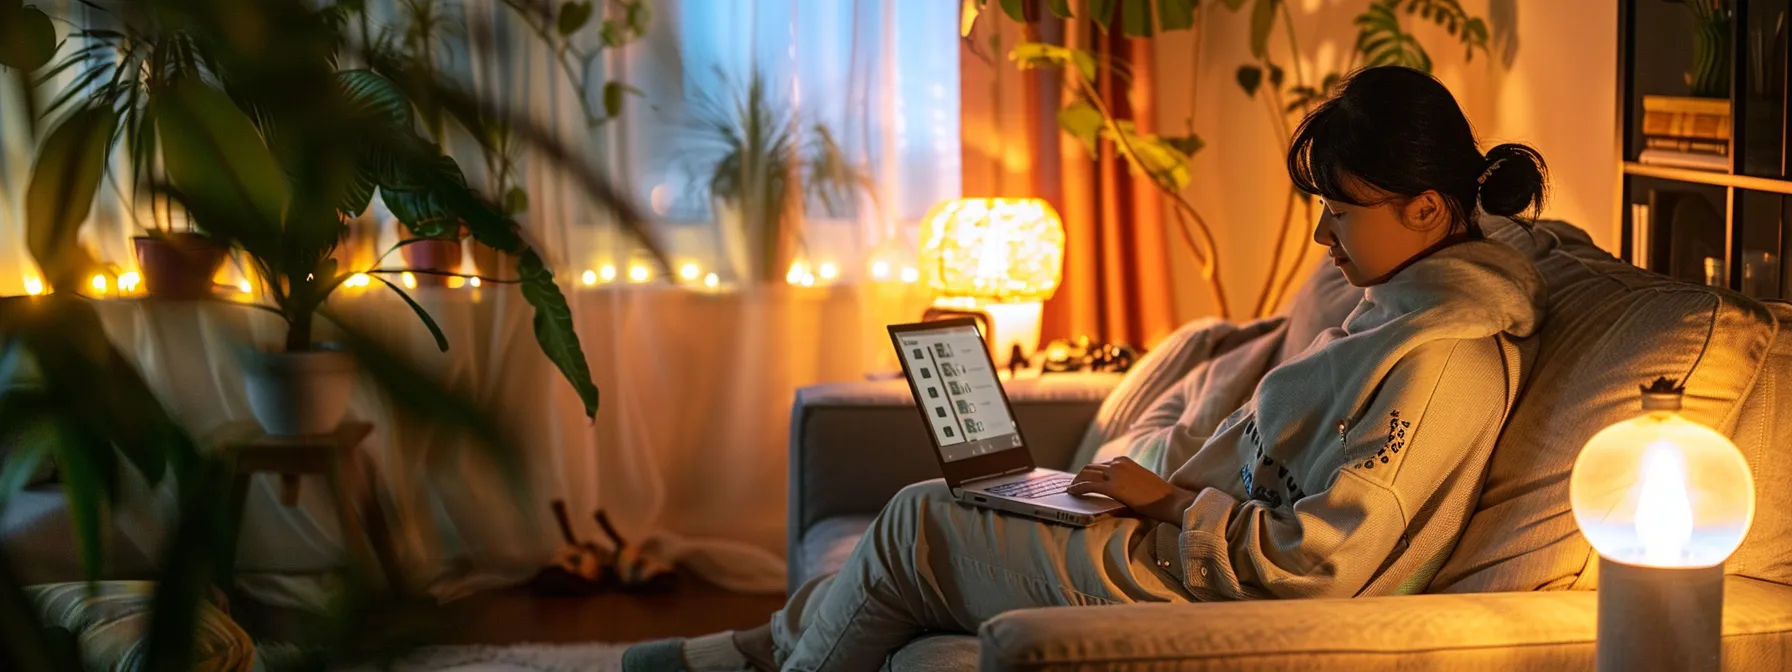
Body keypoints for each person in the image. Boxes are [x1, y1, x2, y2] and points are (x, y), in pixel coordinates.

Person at [624, 65, 1550, 672]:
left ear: (1429, 211)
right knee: (957, 504)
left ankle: (755, 659)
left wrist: (1172, 503)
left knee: (917, 519)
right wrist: (1146, 492)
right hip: (1174, 548)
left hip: (1195, 591)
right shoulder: (1397, 314)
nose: (1322, 235)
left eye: (1341, 213)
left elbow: (1312, 568)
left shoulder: (1445, 364)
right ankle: (755, 651)